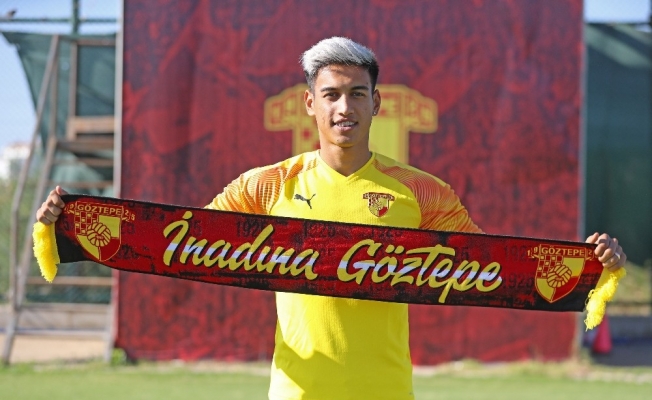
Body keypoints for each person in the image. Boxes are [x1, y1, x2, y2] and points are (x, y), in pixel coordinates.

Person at [36, 37, 627, 400]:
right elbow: (174, 242)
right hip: (296, 392)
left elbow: (496, 270)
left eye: (357, 94)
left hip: (386, 392)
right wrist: (69, 225)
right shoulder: (268, 185)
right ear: (310, 104)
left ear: (377, 102)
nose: (345, 107)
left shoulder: (422, 192)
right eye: (333, 94)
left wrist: (592, 268)